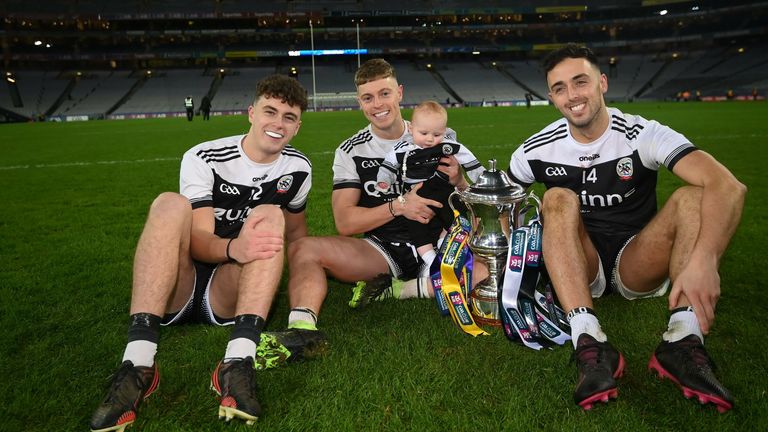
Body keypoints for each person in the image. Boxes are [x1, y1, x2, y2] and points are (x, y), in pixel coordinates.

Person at [507, 44, 745, 412]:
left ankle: (682, 340)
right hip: (582, 266)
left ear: (601, 83)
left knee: (692, 196)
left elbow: (727, 186)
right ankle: (589, 341)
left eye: (580, 82)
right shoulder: (536, 149)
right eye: (559, 88)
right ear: (552, 98)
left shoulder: (642, 133)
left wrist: (704, 261)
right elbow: (500, 202)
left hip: (638, 260)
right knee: (555, 198)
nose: (572, 96)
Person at [89, 74, 315, 431]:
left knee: (272, 215)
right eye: (270, 112)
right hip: (181, 282)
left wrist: (305, 289)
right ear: (251, 113)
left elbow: (298, 236)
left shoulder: (298, 168)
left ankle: (237, 362)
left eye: (288, 117)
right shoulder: (205, 156)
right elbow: (197, 241)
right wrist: (236, 247)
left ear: (298, 126)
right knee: (168, 204)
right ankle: (139, 364)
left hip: (227, 290)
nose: (278, 123)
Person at [286, 58, 484, 322]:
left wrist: (460, 181)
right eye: (367, 98)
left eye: (384, 94)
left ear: (399, 93)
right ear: (359, 102)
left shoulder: (437, 136)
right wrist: (400, 205)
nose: (377, 104)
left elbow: (468, 200)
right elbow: (345, 222)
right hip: (383, 250)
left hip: (441, 239)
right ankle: (301, 328)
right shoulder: (351, 150)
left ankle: (404, 289)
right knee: (303, 249)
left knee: (494, 257)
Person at [375, 100, 483, 278]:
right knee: (417, 229)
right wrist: (383, 181)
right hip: (416, 195)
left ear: (445, 130)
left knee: (455, 219)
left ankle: (446, 247)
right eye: (423, 133)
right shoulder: (403, 148)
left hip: (444, 192)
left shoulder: (446, 144)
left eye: (437, 134)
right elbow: (389, 163)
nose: (430, 139)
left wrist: (480, 175)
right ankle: (432, 261)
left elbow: (467, 157)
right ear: (411, 129)